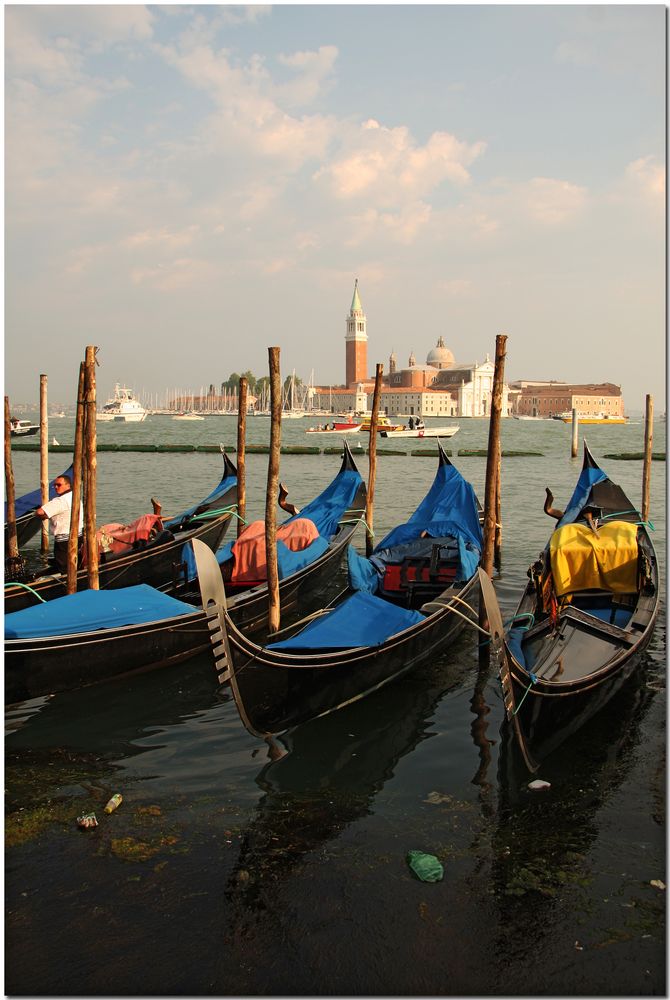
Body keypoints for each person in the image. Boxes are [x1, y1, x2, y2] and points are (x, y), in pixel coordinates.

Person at [36, 474, 84, 572]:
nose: (56, 487)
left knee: (63, 567)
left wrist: (40, 515)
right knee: (76, 563)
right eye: (55, 485)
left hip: (64, 541)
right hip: (79, 536)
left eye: (59, 485)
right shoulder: (75, 496)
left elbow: (40, 512)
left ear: (68, 485)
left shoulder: (60, 500)